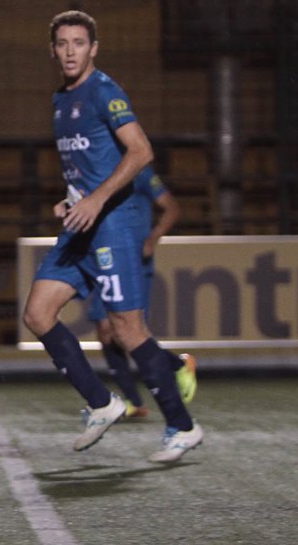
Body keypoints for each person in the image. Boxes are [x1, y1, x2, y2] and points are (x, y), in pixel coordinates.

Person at [23, 9, 202, 463]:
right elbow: (85, 166)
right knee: (38, 312)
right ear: (52, 50)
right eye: (62, 43)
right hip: (82, 224)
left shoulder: (104, 90)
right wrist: (71, 200)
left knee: (126, 328)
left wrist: (97, 199)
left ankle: (182, 426)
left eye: (78, 43)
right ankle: (103, 403)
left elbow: (142, 151)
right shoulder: (60, 100)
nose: (69, 51)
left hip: (113, 223)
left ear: (93, 48)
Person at [77, 165, 188, 418]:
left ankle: (177, 367)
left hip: (133, 258)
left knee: (124, 330)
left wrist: (153, 238)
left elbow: (171, 208)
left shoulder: (140, 172)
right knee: (106, 332)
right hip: (106, 255)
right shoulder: (98, 169)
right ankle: (135, 401)